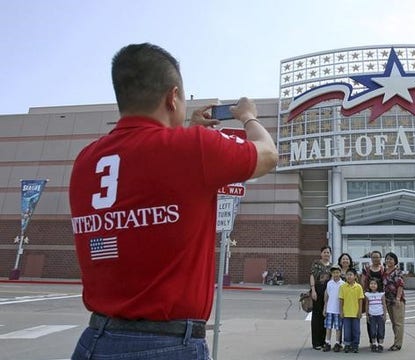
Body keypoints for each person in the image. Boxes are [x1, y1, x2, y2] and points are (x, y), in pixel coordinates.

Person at [68, 43, 278, 360]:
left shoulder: (86, 160)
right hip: (167, 345)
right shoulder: (193, 148)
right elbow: (268, 154)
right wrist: (248, 117)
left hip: (95, 340)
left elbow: (152, 176)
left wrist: (186, 129)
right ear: (173, 96)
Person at [360, 250, 384, 350]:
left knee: (380, 320)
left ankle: (380, 341)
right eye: (373, 257)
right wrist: (364, 293)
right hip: (369, 296)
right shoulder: (367, 269)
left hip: (380, 296)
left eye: (377, 257)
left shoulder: (383, 269)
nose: (375, 259)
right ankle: (372, 341)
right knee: (370, 319)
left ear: (380, 258)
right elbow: (362, 280)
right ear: (371, 258)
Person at [309, 246, 332, 350]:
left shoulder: (331, 266)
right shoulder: (316, 263)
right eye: (324, 252)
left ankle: (323, 341)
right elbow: (312, 276)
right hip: (317, 291)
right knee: (316, 316)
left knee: (325, 316)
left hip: (327, 292)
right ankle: (316, 342)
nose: (326, 254)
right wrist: (313, 290)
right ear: (321, 253)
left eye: (328, 252)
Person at [383, 252, 405, 351]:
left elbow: (400, 285)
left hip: (397, 300)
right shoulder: (385, 271)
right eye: (387, 259)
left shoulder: (398, 271)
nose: (389, 260)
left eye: (391, 259)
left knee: (398, 323)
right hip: (388, 300)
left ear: (395, 261)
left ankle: (398, 344)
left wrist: (397, 298)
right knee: (393, 322)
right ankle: (396, 342)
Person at [339, 268, 365, 353]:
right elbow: (341, 300)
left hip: (355, 313)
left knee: (356, 330)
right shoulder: (342, 287)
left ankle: (355, 345)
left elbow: (360, 300)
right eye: (347, 275)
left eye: (351, 275)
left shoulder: (358, 287)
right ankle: (347, 345)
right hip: (346, 313)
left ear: (355, 276)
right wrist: (341, 311)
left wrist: (360, 311)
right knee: (347, 331)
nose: (349, 276)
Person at [323, 265, 345, 352]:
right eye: (334, 273)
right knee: (328, 327)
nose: (335, 274)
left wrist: (342, 310)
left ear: (340, 273)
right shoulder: (329, 283)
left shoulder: (343, 284)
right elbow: (327, 296)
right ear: (331, 273)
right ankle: (327, 343)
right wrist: (325, 307)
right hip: (329, 309)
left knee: (338, 328)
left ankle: (337, 343)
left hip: (338, 310)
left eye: (337, 272)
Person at [364, 278, 387, 352]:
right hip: (372, 315)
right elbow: (367, 305)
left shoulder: (381, 294)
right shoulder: (367, 294)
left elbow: (384, 304)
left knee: (381, 330)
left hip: (380, 315)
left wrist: (385, 315)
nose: (373, 285)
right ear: (369, 285)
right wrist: (367, 315)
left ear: (378, 285)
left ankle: (380, 344)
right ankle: (374, 343)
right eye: (371, 283)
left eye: (374, 284)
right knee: (372, 331)